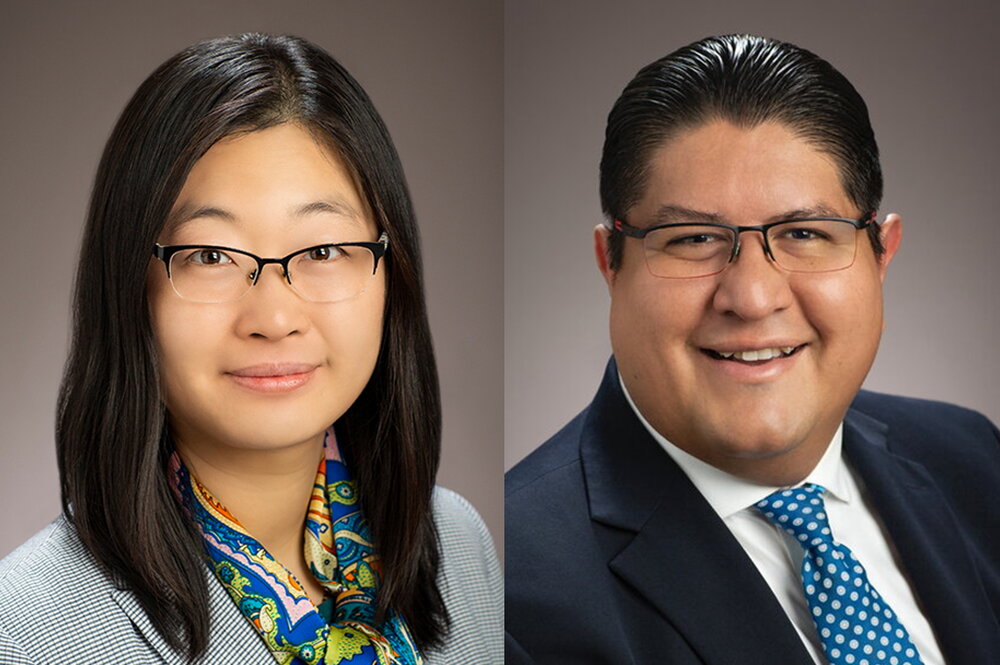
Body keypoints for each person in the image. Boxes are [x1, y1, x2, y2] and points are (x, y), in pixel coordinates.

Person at [0, 33, 501, 664]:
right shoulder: (23, 633)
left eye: (322, 251)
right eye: (210, 255)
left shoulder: (458, 545)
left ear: (390, 276)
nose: (273, 317)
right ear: (127, 285)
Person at [505, 34, 1000, 665]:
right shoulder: (516, 593)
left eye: (803, 232)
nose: (752, 296)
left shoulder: (972, 459)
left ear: (882, 254)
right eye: (692, 240)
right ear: (612, 264)